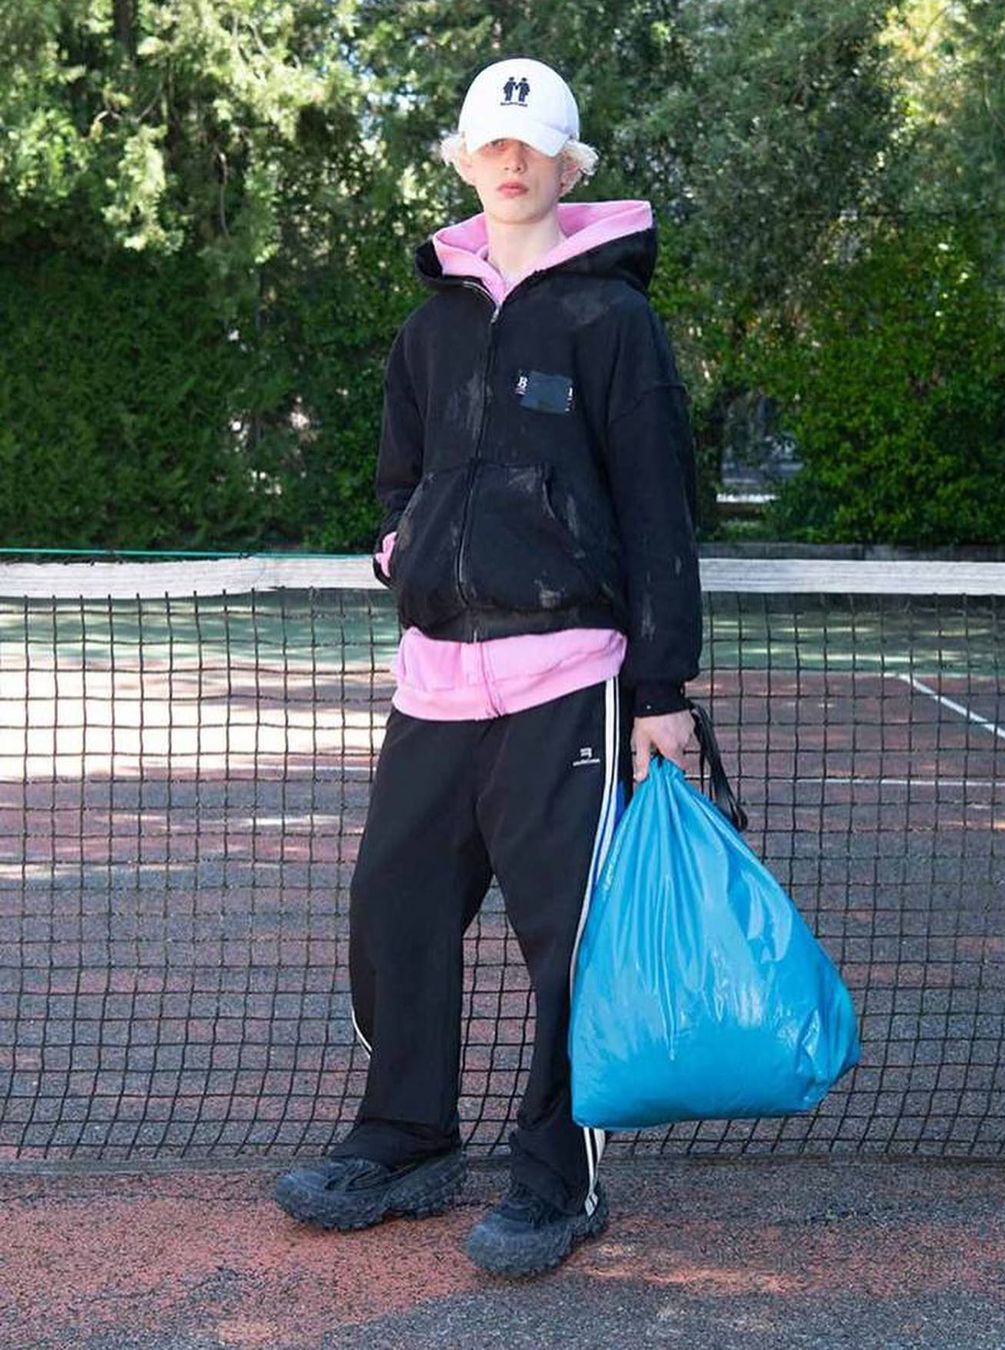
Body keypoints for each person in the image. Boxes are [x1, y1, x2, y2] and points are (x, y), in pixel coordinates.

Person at [274, 55, 702, 1278]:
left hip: (571, 677)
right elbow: (398, 483)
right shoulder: (429, 328)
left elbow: (659, 507)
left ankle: (558, 1180)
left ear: (570, 166)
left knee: (570, 944)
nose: (512, 163)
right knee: (394, 909)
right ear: (465, 162)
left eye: (535, 145)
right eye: (492, 145)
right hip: (435, 683)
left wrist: (661, 692)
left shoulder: (614, 321)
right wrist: (399, 550)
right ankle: (406, 1139)